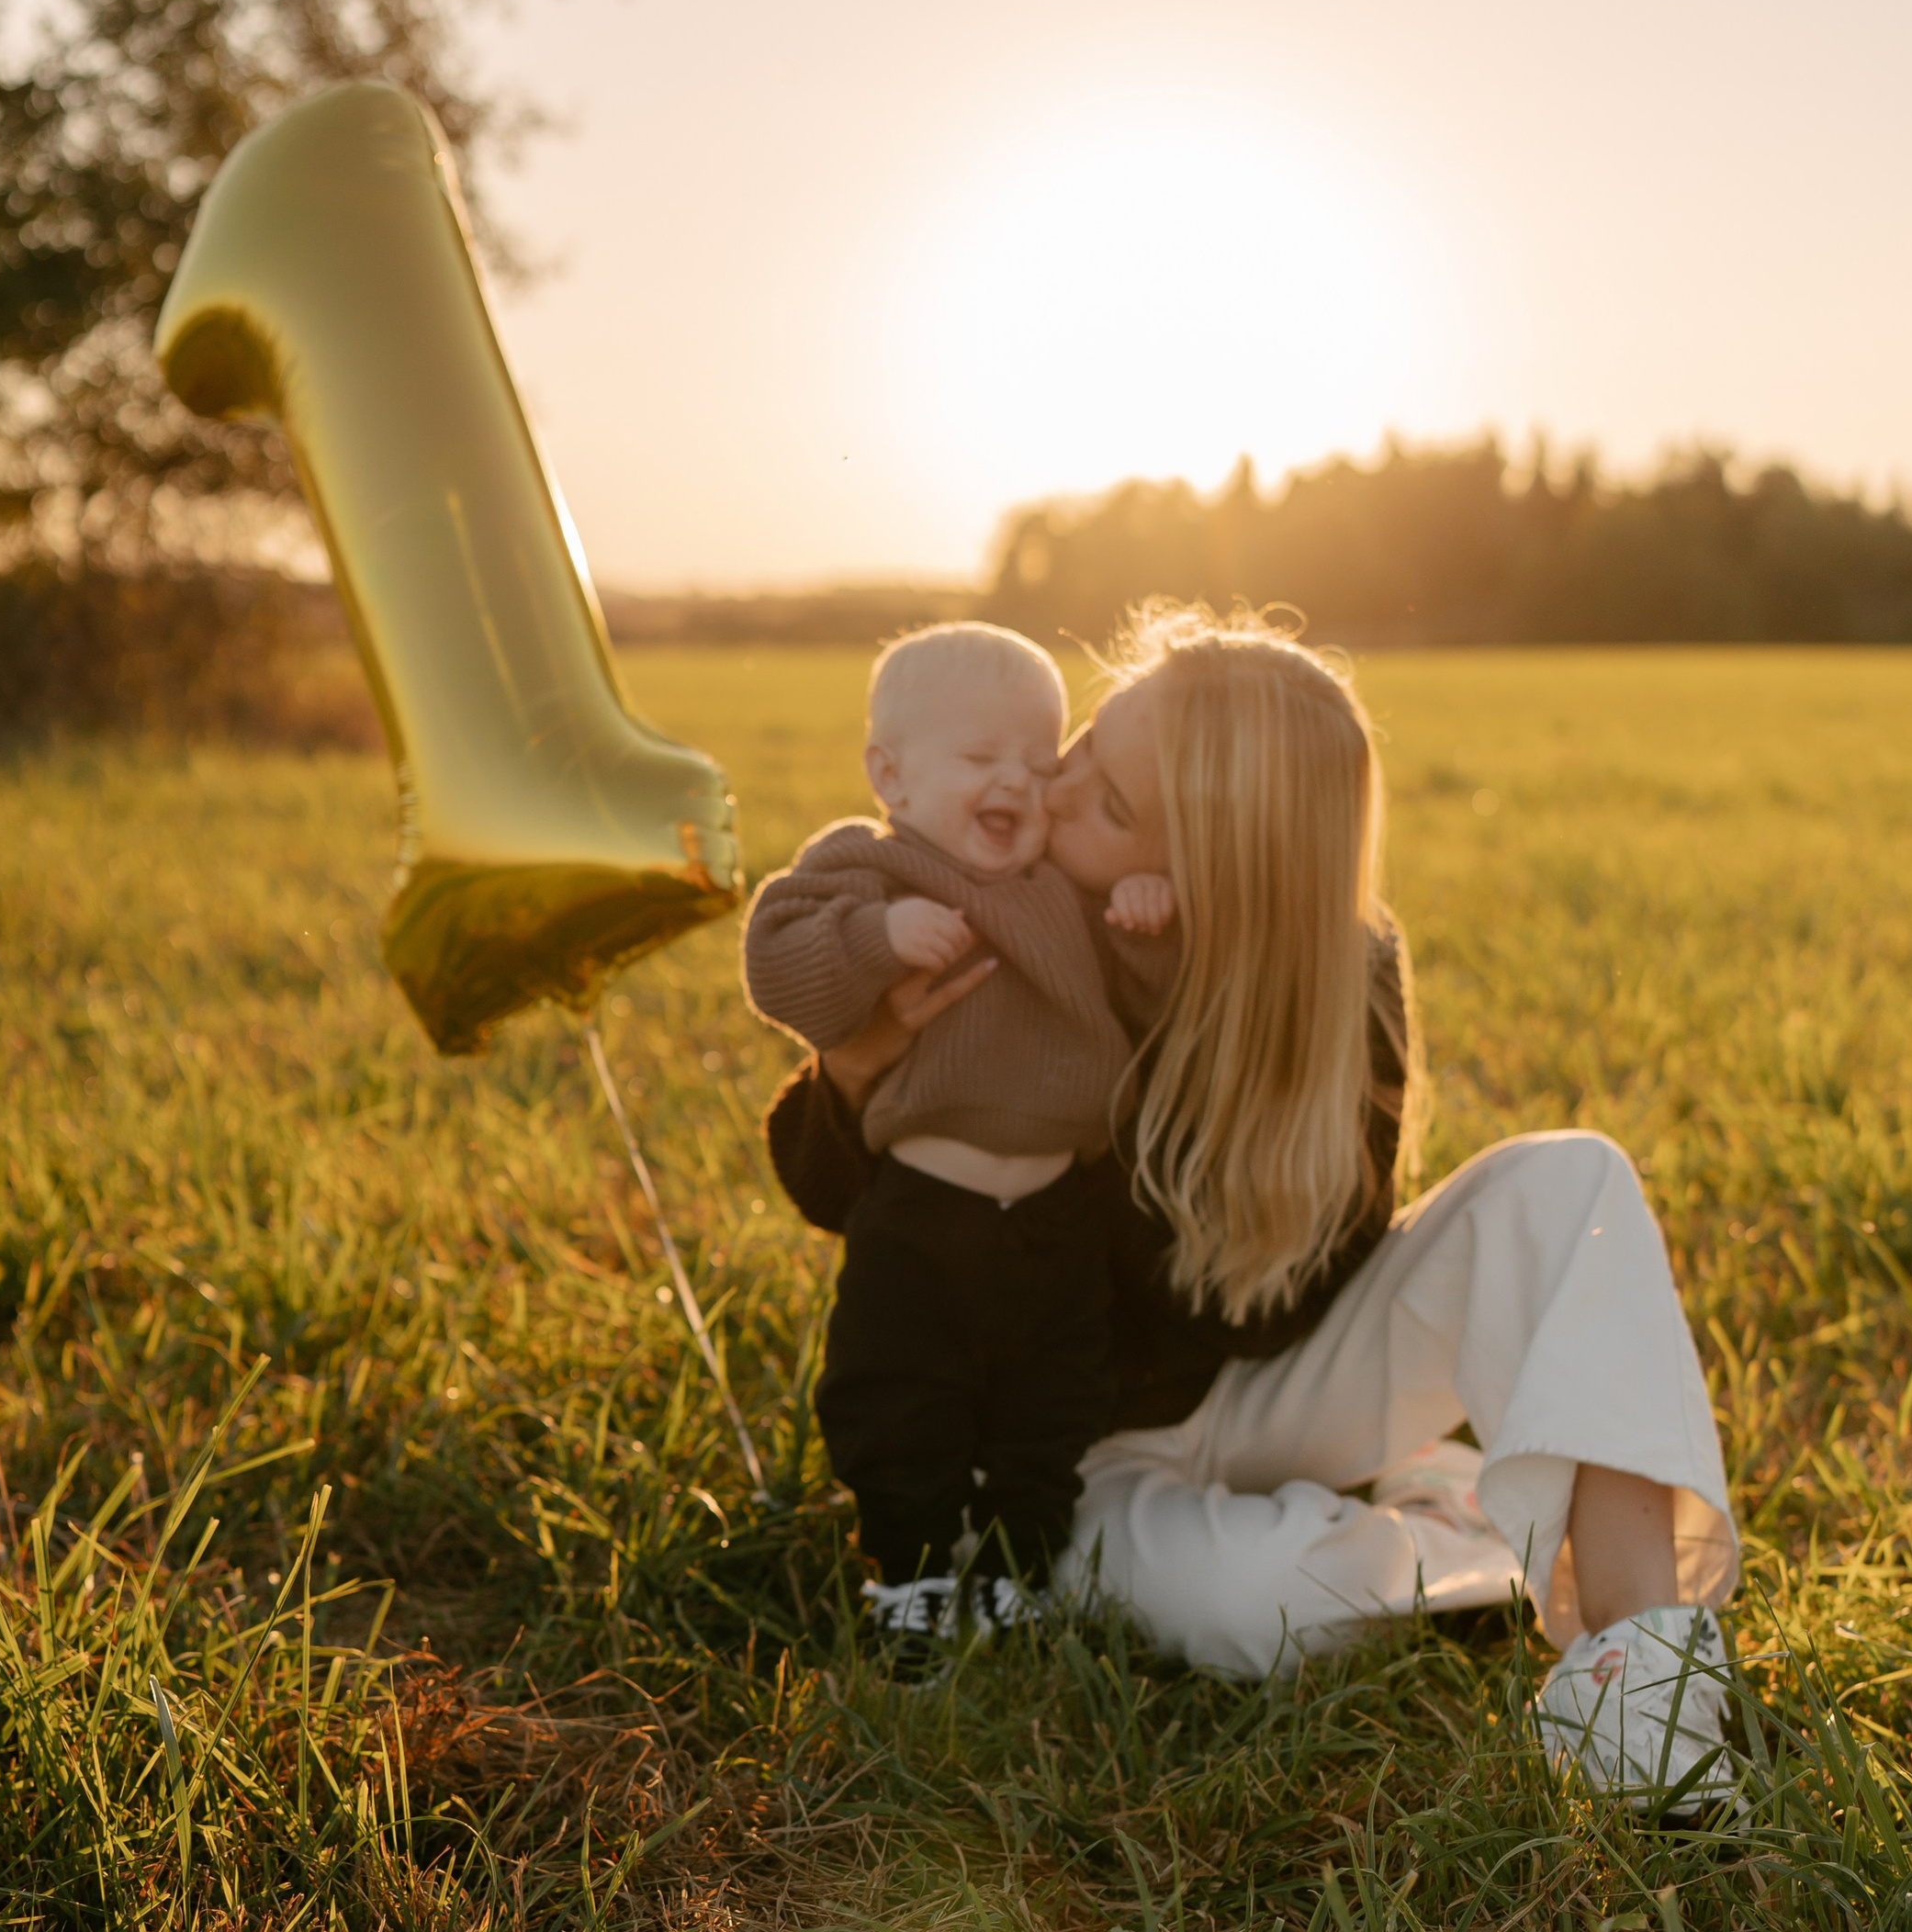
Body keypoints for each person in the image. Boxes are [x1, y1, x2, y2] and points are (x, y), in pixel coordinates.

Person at [765, 604, 1742, 1807]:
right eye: (1080, 749)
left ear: (1207, 867)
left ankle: (1642, 1675)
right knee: (1265, 1614)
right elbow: (834, 1198)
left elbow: (1279, 1309)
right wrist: (864, 1067)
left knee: (1573, 1181)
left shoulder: (1344, 974)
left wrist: (1189, 1034)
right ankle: (1456, 1522)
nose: (1049, 789)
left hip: (1274, 1376)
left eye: (1106, 800)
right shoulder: (1001, 923)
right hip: (1084, 1438)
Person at [742, 622, 1175, 1652]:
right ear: (888, 775)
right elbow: (778, 962)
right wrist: (873, 940)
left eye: (1038, 762)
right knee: (896, 1388)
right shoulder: (871, 868)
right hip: (920, 1208)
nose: (1016, 786)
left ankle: (1018, 1572)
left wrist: (1151, 919)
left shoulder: (1063, 891)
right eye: (982, 761)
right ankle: (911, 1573)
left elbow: (1149, 1010)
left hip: (1057, 1214)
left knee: (1053, 1397)